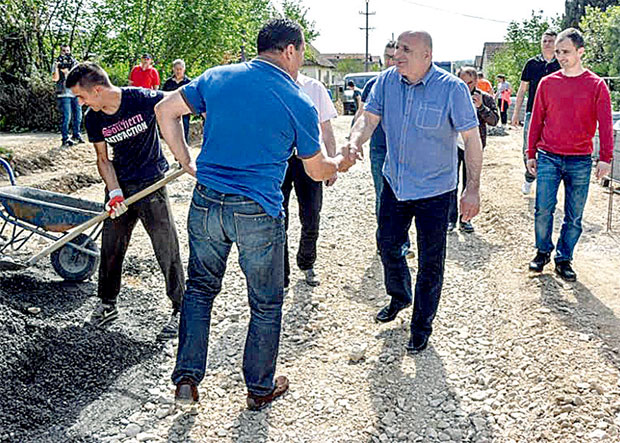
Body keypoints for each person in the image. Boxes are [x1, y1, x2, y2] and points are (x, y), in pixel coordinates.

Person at [155, 19, 354, 410]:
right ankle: (259, 387)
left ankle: (186, 381)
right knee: (265, 302)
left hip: (207, 201)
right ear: (291, 50)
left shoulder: (217, 77)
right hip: (257, 210)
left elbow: (165, 109)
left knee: (199, 290)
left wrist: (184, 158)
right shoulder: (297, 99)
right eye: (299, 54)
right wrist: (340, 164)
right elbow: (315, 170)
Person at [346, 31, 483, 353]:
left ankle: (422, 326)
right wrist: (354, 141)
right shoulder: (386, 82)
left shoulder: (452, 89)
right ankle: (399, 296)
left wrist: (472, 189)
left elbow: (472, 140)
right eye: (396, 49)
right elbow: (368, 120)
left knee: (431, 262)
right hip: (395, 183)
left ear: (427, 56)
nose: (398, 55)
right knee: (388, 245)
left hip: (436, 191)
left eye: (406, 50)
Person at [65, 62, 184, 338]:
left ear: (96, 90)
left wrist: (183, 155)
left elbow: (177, 105)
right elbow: (103, 159)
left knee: (166, 247)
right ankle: (107, 304)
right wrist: (114, 191)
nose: (80, 103)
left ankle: (181, 310)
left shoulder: (140, 99)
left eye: (81, 97)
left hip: (151, 184)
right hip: (119, 186)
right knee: (111, 247)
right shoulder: (93, 118)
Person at [526, 28, 612, 282]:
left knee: (574, 215)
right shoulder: (547, 83)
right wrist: (531, 152)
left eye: (566, 52)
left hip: (580, 160)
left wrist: (606, 157)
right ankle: (542, 252)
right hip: (549, 156)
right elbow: (537, 121)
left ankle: (564, 258)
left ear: (580, 51)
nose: (560, 56)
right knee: (543, 209)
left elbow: (606, 125)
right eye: (558, 52)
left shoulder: (596, 86)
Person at [354, 40, 413, 258]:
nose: (391, 60)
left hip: (407, 150)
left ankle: (402, 241)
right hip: (379, 148)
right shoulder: (373, 85)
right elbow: (361, 116)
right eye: (388, 56)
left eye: (395, 56)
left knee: (405, 196)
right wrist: (354, 141)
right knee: (383, 195)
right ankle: (385, 241)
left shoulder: (412, 82)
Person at [281, 71, 338, 288]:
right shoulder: (269, 84)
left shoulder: (314, 87)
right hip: (280, 160)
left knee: (312, 215)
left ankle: (307, 262)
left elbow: (327, 129)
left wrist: (331, 165)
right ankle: (281, 273)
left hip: (310, 157)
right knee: (278, 218)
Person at [449, 66, 499, 233]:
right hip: (452, 145)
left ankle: (466, 220)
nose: (466, 86)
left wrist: (480, 107)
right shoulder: (450, 96)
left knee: (469, 183)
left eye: (470, 83)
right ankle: (450, 220)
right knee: (450, 183)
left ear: (476, 81)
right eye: (462, 82)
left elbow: (494, 120)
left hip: (473, 147)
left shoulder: (484, 98)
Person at [511, 30, 560, 195]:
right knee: (528, 147)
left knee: (552, 149)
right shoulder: (531, 64)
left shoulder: (561, 64)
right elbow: (522, 89)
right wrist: (516, 113)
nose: (547, 44)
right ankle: (529, 177)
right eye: (545, 41)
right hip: (532, 113)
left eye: (551, 41)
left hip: (555, 116)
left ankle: (546, 183)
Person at [52, 44, 84, 148]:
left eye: (67, 50)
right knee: (67, 117)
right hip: (63, 93)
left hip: (75, 92)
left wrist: (67, 73)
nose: (66, 53)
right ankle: (65, 138)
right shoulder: (57, 62)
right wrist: (57, 68)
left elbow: (78, 77)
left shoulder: (74, 62)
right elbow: (55, 79)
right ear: (60, 52)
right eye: (64, 51)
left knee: (78, 116)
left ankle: (76, 135)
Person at [162, 59, 192, 143]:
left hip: (184, 113)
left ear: (184, 69)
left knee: (183, 135)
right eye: (176, 69)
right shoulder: (168, 83)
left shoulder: (189, 83)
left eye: (180, 69)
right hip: (170, 113)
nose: (178, 71)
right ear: (173, 69)